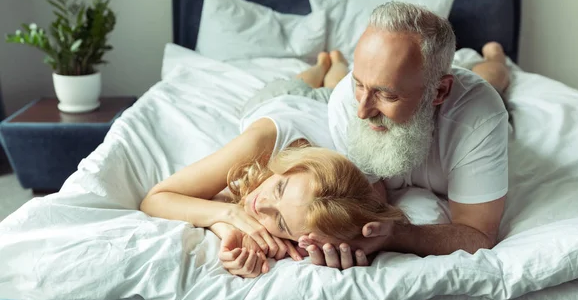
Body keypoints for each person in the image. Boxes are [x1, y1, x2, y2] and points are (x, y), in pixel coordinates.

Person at [140, 52, 407, 278]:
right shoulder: (262, 141)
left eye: (280, 221)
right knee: (307, 80)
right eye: (279, 188)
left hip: (326, 109)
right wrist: (228, 217)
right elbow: (155, 199)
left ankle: (336, 62)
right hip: (284, 99)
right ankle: (322, 63)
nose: (260, 205)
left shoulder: (358, 197)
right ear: (291, 166)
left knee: (333, 85)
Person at [299, 2, 511, 269]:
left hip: (478, 93)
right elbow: (371, 197)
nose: (363, 112)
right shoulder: (346, 102)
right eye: (359, 84)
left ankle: (495, 57)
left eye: (386, 94)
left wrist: (397, 235)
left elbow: (478, 234)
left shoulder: (481, 117)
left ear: (439, 92)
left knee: (492, 77)